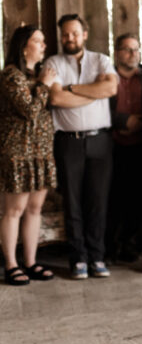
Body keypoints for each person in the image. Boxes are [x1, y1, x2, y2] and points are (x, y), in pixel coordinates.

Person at [45, 14, 118, 280]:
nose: (69, 38)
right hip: (67, 141)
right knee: (72, 203)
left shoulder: (101, 60)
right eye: (65, 34)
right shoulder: (53, 62)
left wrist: (73, 88)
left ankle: (97, 257)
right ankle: (78, 260)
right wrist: (92, 91)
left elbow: (110, 89)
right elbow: (55, 97)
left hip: (100, 140)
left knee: (97, 202)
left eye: (74, 33)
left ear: (84, 34)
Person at [0, 25, 57, 285]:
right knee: (15, 210)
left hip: (41, 152)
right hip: (18, 152)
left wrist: (44, 84)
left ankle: (31, 261)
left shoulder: (37, 75)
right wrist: (44, 86)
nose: (43, 46)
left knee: (35, 209)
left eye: (43, 41)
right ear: (24, 46)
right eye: (38, 41)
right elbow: (30, 111)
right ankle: (11, 264)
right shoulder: (12, 76)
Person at [107, 33, 142, 263]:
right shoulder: (106, 77)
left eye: (136, 49)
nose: (133, 54)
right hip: (112, 145)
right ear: (117, 52)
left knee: (137, 198)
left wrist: (139, 121)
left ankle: (130, 244)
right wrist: (122, 121)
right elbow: (96, 108)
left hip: (141, 145)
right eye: (127, 49)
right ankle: (108, 247)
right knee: (111, 198)